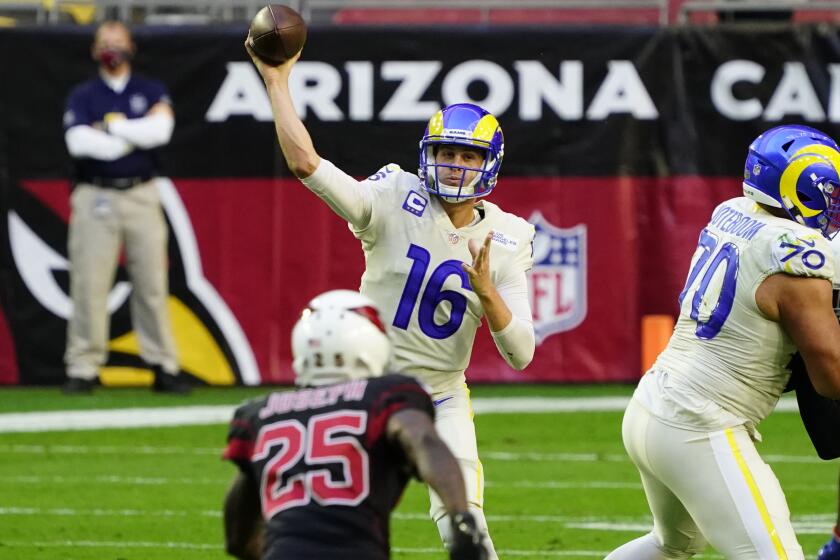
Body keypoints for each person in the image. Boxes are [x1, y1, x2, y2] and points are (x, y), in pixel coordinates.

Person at [244, 38, 535, 559]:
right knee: (320, 517)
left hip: (440, 392)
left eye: (467, 155)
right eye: (446, 152)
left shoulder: (510, 236)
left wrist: (488, 292)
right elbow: (307, 164)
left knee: (464, 518)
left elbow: (521, 353)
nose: (453, 165)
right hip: (363, 387)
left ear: (489, 164)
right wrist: (276, 82)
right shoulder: (395, 195)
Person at [606, 124, 840, 560]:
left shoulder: (734, 211)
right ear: (802, 189)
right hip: (701, 424)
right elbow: (831, 377)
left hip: (653, 405)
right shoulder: (797, 254)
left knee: (670, 545)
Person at [222, 289, 487, 560]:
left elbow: (236, 538)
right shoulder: (385, 396)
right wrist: (461, 519)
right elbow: (424, 441)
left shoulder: (264, 412)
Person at [61, 20, 189, 394]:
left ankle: (162, 365)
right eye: (104, 42)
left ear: (131, 46)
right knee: (90, 283)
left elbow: (160, 133)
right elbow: (79, 144)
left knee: (151, 282)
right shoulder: (83, 94)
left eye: (118, 41)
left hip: (141, 194)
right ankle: (84, 366)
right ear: (94, 50)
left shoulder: (149, 89)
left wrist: (111, 127)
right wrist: (133, 134)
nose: (112, 48)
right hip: (94, 194)